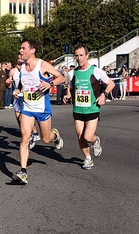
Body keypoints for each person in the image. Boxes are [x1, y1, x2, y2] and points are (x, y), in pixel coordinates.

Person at [11, 39, 65, 184]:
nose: (20, 51)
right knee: (24, 139)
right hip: (27, 108)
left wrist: (50, 83)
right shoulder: (21, 67)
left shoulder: (43, 65)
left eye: (23, 48)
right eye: (20, 48)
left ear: (33, 50)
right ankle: (23, 172)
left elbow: (62, 77)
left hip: (42, 108)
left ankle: (56, 136)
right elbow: (23, 82)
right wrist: (17, 90)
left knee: (46, 139)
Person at [63, 44, 115, 170]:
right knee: (80, 137)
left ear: (87, 56)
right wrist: (68, 94)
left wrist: (104, 94)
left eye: (81, 55)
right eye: (76, 55)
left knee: (88, 136)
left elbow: (111, 83)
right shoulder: (72, 73)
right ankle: (87, 158)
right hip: (78, 109)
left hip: (92, 108)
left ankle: (96, 141)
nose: (79, 58)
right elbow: (69, 87)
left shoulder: (96, 71)